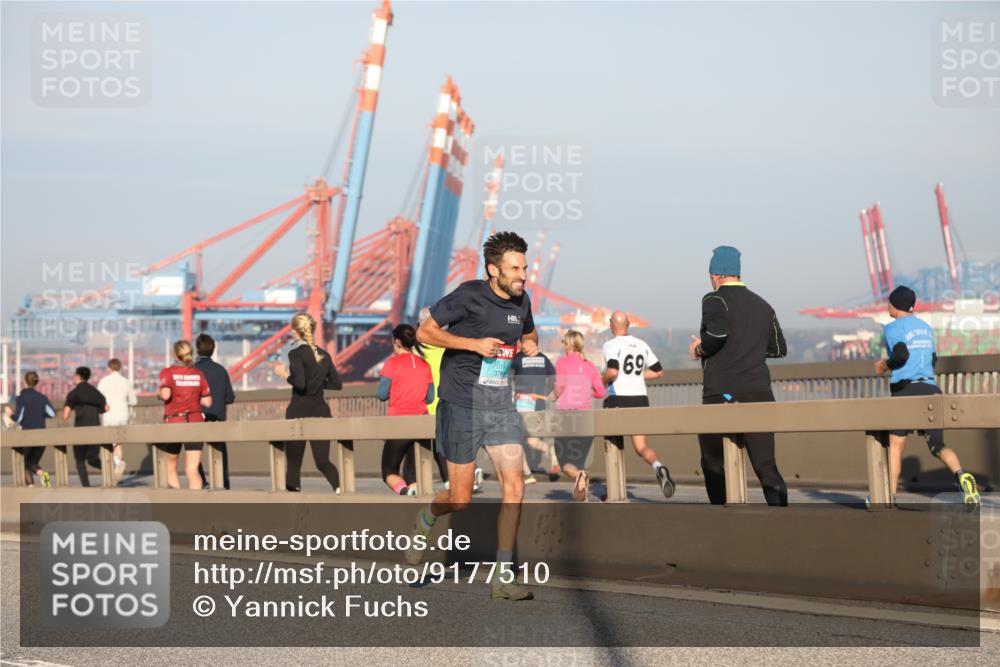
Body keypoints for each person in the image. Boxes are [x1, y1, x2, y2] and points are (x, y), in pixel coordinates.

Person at [408, 231, 537, 601]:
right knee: (460, 498)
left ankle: (502, 576)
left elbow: (530, 335)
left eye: (524, 268)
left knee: (515, 485)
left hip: (499, 404)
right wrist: (473, 344)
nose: (522, 275)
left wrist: (528, 344)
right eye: (515, 268)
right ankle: (428, 516)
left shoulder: (522, 301)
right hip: (461, 403)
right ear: (493, 269)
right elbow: (425, 331)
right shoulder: (468, 295)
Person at [688, 245, 789, 506]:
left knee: (713, 461)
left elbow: (718, 336)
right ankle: (784, 521)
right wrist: (748, 346)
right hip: (758, 391)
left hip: (720, 391)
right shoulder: (763, 305)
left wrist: (699, 348)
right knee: (766, 465)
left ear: (716, 274)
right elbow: (778, 349)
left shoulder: (714, 299)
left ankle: (722, 520)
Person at [874, 285, 980, 508]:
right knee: (937, 445)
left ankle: (889, 498)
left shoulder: (892, 327)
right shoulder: (925, 327)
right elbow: (933, 359)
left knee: (896, 445)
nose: (887, 306)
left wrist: (885, 364)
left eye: (889, 302)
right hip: (931, 389)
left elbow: (901, 354)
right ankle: (962, 477)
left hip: (905, 391)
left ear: (895, 305)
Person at [602, 311, 675, 499]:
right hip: (640, 398)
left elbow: (612, 371)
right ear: (628, 325)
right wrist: (635, 376)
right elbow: (658, 372)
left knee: (613, 445)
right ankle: (658, 466)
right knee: (641, 447)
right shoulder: (641, 344)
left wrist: (602, 381)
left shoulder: (611, 344)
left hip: (618, 398)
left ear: (612, 325)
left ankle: (614, 493)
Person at [274, 312, 344, 493]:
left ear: (296, 331)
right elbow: (337, 385)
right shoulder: (324, 354)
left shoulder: (296, 353)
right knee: (322, 461)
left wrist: (284, 375)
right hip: (321, 411)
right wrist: (319, 383)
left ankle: (293, 498)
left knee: (294, 463)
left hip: (298, 410)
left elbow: (300, 384)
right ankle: (340, 489)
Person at [376, 324, 447, 495]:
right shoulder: (424, 365)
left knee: (389, 472)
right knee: (413, 476)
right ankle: (412, 496)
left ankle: (403, 491)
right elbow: (430, 397)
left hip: (398, 424)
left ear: (397, 342)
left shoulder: (392, 364)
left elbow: (381, 394)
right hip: (421, 424)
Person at [417, 306, 479, 493]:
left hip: (430, 404)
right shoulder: (452, 346)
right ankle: (464, 479)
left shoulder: (419, 350)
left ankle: (453, 484)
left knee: (437, 449)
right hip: (456, 399)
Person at [553, 330, 606, 500]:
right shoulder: (590, 366)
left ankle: (580, 477)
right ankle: (583, 494)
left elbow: (560, 386)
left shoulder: (562, 362)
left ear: (568, 344)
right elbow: (601, 392)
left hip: (567, 417)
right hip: (586, 418)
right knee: (580, 461)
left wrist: (552, 397)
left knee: (563, 461)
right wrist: (587, 392)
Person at [158, 340, 212, 490]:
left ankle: (176, 502)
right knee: (192, 470)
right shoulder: (199, 374)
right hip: (196, 421)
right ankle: (196, 505)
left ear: (175, 354)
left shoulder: (168, 372)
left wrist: (159, 393)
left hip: (175, 422)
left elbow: (166, 395)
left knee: (171, 465)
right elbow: (207, 402)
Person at [511, 344, 558, 484]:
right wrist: (547, 392)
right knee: (532, 440)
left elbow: (508, 379)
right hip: (540, 402)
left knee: (516, 440)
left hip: (523, 402)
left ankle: (527, 475)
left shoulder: (518, 358)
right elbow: (553, 377)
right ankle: (549, 450)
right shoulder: (543, 358)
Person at [194, 334, 236, 490]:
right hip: (217, 417)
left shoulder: (192, 371)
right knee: (220, 451)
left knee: (194, 452)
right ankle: (223, 483)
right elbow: (230, 398)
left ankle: (202, 481)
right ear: (213, 349)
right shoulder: (221, 371)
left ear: (197, 350)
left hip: (197, 417)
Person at [63, 367, 109, 487]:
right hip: (95, 429)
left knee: (80, 459)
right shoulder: (96, 392)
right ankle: (110, 471)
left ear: (78, 377)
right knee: (93, 459)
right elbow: (107, 408)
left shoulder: (73, 393)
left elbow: (65, 415)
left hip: (80, 430)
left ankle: (86, 485)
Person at [13, 371, 56, 487]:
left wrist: (9, 414)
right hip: (41, 436)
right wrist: (40, 414)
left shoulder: (21, 398)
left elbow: (18, 417)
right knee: (33, 462)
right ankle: (42, 474)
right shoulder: (42, 397)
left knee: (24, 462)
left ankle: (31, 485)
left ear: (24, 382)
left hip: (27, 435)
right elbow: (52, 414)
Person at [97, 358, 137, 481]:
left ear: (109, 368)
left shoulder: (104, 381)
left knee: (110, 443)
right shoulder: (126, 381)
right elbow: (134, 401)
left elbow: (98, 398)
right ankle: (116, 470)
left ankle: (118, 463)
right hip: (123, 415)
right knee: (118, 443)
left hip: (109, 415)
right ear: (120, 368)